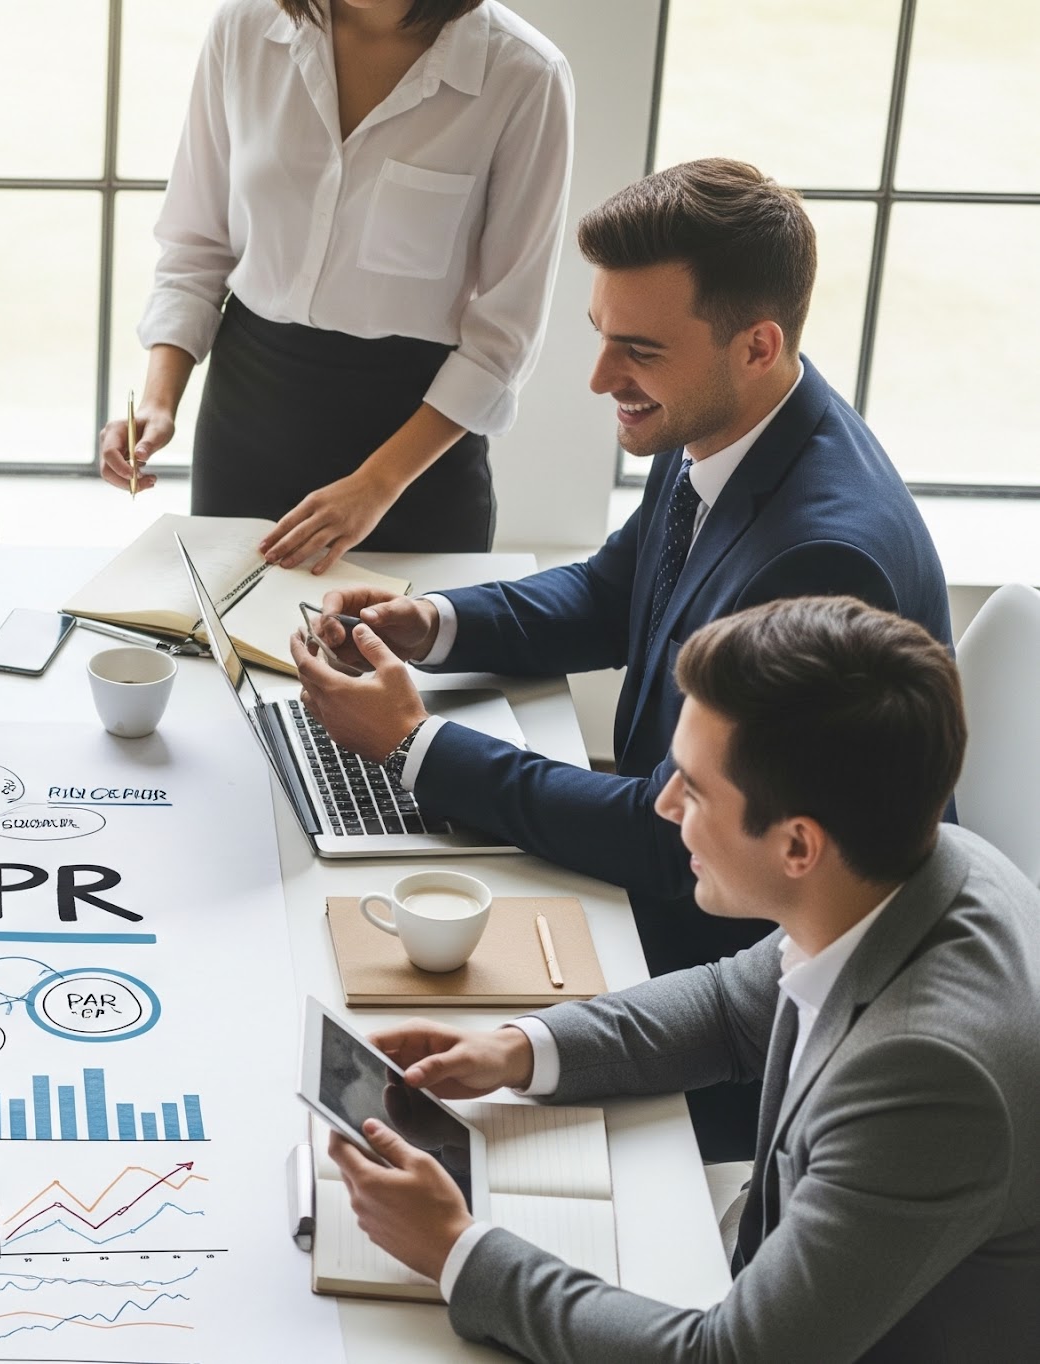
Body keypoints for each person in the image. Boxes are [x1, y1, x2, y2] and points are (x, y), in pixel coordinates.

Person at [289, 159, 947, 1157]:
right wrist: (427, 620)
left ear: (757, 344)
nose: (600, 379)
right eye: (600, 337)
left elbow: (666, 835)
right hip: (661, 900)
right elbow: (609, 591)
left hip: (712, 978)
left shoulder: (820, 555)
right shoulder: (732, 424)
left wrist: (414, 744)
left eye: (636, 349)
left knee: (339, 989)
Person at [327, 597, 1040, 1362]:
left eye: (693, 790)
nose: (664, 806)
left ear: (799, 845)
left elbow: (728, 1358)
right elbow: (730, 1010)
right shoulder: (923, 861)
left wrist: (456, 1251)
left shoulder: (927, 1078)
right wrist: (515, 1048)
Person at [102, 0, 573, 571]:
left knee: (393, 654)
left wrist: (377, 484)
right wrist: (158, 401)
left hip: (413, 450)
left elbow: (505, 337)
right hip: (245, 420)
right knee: (226, 650)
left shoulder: (524, 74)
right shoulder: (244, 29)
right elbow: (195, 248)